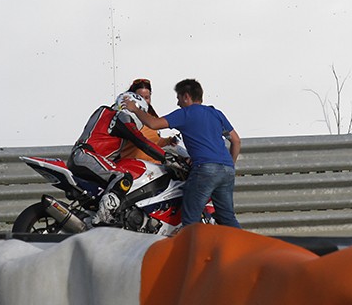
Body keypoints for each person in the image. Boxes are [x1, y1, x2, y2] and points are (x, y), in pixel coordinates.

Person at [129, 78, 242, 228]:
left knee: (190, 220)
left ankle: (194, 251)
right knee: (227, 217)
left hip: (205, 169)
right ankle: (245, 249)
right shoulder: (216, 114)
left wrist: (135, 109)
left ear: (186, 96)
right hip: (226, 169)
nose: (178, 103)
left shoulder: (185, 113)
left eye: (179, 98)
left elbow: (153, 124)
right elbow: (236, 141)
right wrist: (229, 166)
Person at [69, 93, 168, 224]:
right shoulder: (120, 116)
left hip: (83, 157)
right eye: (141, 113)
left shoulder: (105, 112)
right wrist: (165, 156)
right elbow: (140, 140)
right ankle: (103, 218)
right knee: (123, 177)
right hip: (87, 156)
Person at [116, 78, 180, 161]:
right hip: (132, 167)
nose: (144, 101)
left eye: (147, 97)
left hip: (154, 168)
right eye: (140, 97)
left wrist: (169, 141)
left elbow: (154, 141)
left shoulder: (151, 117)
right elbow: (141, 141)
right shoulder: (125, 117)